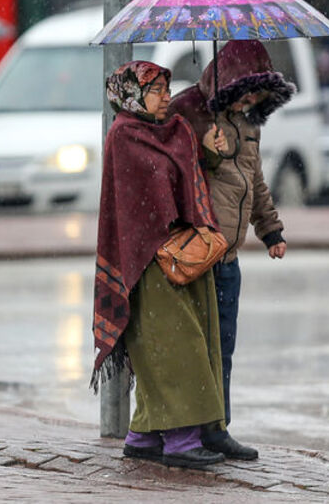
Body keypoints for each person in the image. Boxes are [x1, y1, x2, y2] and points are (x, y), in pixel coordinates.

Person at [91, 60, 232, 469]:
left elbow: (186, 179)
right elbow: (144, 205)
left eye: (167, 88)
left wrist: (207, 150)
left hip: (183, 255)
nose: (167, 97)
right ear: (132, 96)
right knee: (172, 349)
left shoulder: (174, 131)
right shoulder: (124, 136)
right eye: (156, 90)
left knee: (179, 344)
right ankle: (181, 441)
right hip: (149, 262)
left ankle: (144, 434)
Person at [168, 40, 294, 461]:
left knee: (223, 347)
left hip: (229, 258)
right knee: (195, 348)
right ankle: (187, 432)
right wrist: (209, 155)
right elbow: (178, 176)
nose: (251, 100)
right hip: (199, 251)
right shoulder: (192, 114)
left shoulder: (250, 124)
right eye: (245, 90)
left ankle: (217, 427)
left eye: (259, 93)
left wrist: (271, 230)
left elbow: (254, 183)